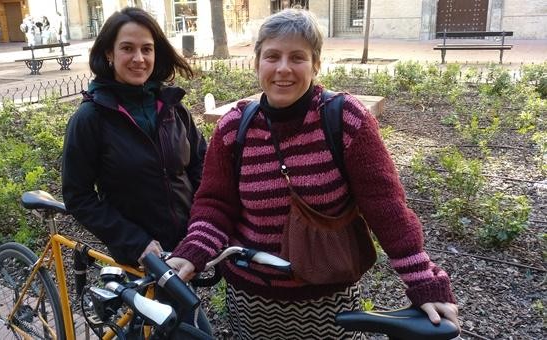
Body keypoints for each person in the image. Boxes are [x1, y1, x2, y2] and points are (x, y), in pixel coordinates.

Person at [167, 8, 459, 339]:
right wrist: (193, 251)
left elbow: (386, 208)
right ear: (257, 63)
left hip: (326, 297)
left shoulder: (346, 120)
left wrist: (424, 281)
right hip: (250, 297)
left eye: (297, 57)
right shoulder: (234, 128)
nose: (283, 69)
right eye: (272, 56)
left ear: (316, 64)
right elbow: (216, 204)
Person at [61, 6, 208, 336]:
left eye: (147, 48)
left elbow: (201, 165)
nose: (138, 58)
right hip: (138, 257)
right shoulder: (91, 119)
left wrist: (201, 223)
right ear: (109, 55)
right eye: (127, 48)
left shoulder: (172, 108)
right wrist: (135, 242)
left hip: (183, 249)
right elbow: (78, 196)